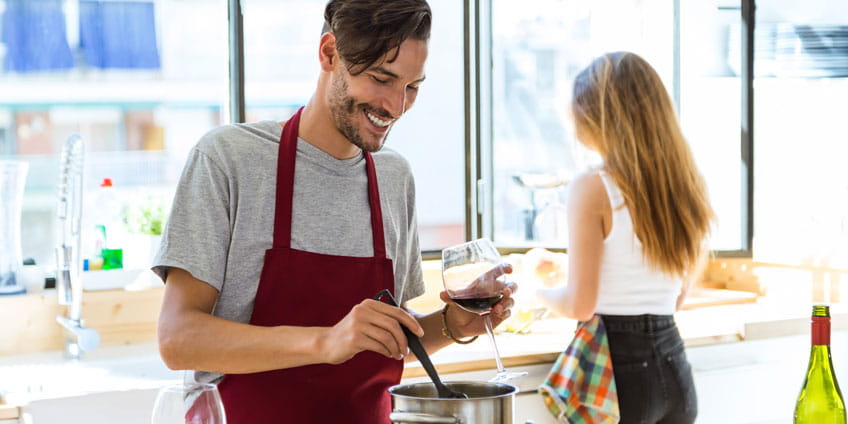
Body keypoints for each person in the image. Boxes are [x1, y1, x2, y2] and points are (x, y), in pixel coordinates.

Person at [152, 1, 516, 423]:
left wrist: (454, 324)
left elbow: (381, 338)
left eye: (412, 86)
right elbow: (177, 340)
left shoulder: (393, 177)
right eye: (383, 78)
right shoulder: (230, 160)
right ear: (329, 54)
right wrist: (326, 342)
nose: (397, 106)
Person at [537, 51, 714, 424]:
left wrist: (533, 288)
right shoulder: (682, 185)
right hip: (674, 363)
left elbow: (580, 306)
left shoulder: (593, 185)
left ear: (593, 117)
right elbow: (671, 292)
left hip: (619, 373)